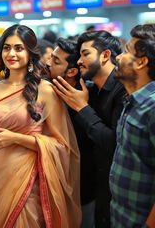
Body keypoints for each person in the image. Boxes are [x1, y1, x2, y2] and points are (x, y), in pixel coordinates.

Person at [0, 24, 81, 228]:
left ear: (30, 53)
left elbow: (62, 145)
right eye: (6, 48)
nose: (11, 53)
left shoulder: (45, 90)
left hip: (29, 182)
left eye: (19, 48)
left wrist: (16, 138)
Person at [52, 30, 126, 228]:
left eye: (86, 54)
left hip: (120, 192)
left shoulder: (123, 90)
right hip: (97, 187)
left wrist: (82, 109)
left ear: (105, 55)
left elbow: (114, 144)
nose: (79, 62)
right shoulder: (91, 90)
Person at [110, 24, 155, 227]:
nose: (119, 57)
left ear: (142, 62)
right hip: (122, 216)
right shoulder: (134, 101)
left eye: (126, 51)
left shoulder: (152, 107)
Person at [50, 37, 96, 228]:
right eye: (51, 57)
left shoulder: (87, 99)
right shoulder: (48, 92)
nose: (47, 63)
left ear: (72, 71)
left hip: (81, 188)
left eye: (55, 61)